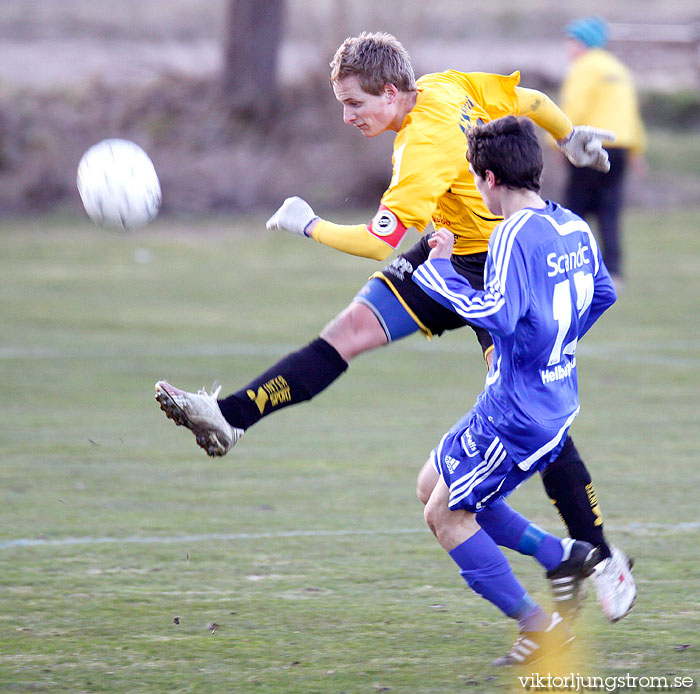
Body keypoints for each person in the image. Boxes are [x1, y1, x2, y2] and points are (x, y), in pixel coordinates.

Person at [154, 32, 634, 620]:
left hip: (496, 268)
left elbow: (376, 241)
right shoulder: (449, 86)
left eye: (354, 103)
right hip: (445, 252)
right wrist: (568, 136)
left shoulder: (421, 145)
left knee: (531, 409)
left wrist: (310, 225)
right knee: (349, 331)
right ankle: (229, 418)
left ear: (389, 92)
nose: (347, 116)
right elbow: (528, 99)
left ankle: (604, 558)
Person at [412, 115, 617, 664]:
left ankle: (539, 627)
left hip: (517, 414)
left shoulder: (509, 234)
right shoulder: (572, 224)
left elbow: (496, 314)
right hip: (546, 399)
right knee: (431, 483)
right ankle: (560, 556)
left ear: (487, 177)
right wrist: (557, 346)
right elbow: (602, 293)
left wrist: (438, 269)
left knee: (447, 516)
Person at [560, 15, 647, 285]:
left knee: (575, 208)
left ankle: (570, 265)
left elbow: (574, 108)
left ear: (584, 43)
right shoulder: (619, 69)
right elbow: (632, 114)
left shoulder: (584, 67)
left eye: (572, 40)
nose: (568, 46)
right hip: (621, 146)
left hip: (589, 145)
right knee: (610, 209)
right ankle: (614, 271)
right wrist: (637, 151)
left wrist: (558, 141)